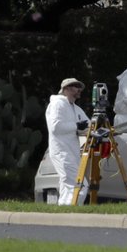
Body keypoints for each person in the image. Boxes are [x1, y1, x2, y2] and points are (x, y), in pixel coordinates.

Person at [45, 78, 90, 206]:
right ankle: (72, 213)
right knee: (79, 185)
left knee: (68, 187)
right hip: (62, 152)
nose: (79, 90)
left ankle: (63, 213)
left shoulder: (75, 108)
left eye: (79, 87)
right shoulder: (57, 104)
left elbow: (88, 124)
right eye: (76, 87)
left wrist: (100, 128)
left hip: (73, 152)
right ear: (66, 89)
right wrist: (76, 126)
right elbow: (55, 127)